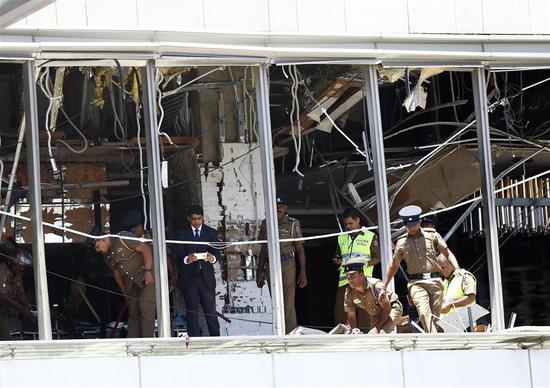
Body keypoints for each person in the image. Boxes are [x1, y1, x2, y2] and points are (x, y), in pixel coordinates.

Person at [383, 205, 459, 333]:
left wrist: (457, 268)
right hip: (416, 283)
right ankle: (435, 341)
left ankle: (435, 344)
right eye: (409, 226)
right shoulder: (401, 242)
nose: (412, 228)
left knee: (436, 318)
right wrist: (385, 285)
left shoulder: (432, 235)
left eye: (414, 224)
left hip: (435, 281)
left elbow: (447, 253)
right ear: (405, 225)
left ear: (420, 222)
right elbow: (394, 265)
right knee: (424, 314)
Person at [256, 194, 307, 334]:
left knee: (288, 300)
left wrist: (303, 272)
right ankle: (279, 331)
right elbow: (263, 248)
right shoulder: (266, 223)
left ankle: (290, 333)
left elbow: (299, 247)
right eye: (276, 205)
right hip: (271, 263)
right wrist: (259, 271)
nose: (278, 207)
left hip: (287, 262)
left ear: (286, 208)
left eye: (281, 205)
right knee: (275, 300)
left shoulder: (292, 223)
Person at [94, 228, 156, 338]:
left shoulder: (122, 237)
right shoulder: (107, 255)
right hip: (131, 283)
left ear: (102, 239)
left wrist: (148, 271)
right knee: (133, 312)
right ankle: (133, 342)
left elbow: (145, 249)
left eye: (97, 247)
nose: (98, 250)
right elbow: (117, 274)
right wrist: (125, 294)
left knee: (145, 310)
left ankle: (148, 342)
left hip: (145, 276)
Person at [174, 205, 220, 337]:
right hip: (189, 278)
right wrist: (187, 259)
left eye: (199, 219)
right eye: (194, 219)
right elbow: (179, 254)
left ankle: (216, 339)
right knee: (192, 311)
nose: (197, 222)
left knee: (210, 310)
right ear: (189, 218)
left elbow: (217, 252)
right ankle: (193, 340)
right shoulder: (181, 233)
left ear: (203, 218)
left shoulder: (211, 232)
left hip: (206, 277)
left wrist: (212, 258)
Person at [332, 208, 380, 331]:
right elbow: (336, 256)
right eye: (346, 224)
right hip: (345, 282)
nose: (348, 227)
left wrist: (362, 265)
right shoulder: (341, 237)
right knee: (341, 314)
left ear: (358, 220)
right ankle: (343, 340)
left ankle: (366, 340)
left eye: (351, 224)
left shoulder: (370, 236)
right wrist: (336, 260)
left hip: (364, 282)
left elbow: (378, 258)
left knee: (365, 314)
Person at [343, 258, 402, 334]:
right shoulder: (349, 292)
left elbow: (387, 310)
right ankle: (402, 321)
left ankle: (400, 321)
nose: (349, 279)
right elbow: (351, 315)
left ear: (361, 275)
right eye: (347, 276)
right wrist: (353, 330)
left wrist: (376, 328)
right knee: (372, 337)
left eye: (352, 275)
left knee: (382, 333)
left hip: (392, 308)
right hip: (375, 314)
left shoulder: (376, 286)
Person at [0, 240, 36, 340]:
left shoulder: (17, 275)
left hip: (4, 311)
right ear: (11, 262)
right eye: (20, 266)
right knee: (4, 337)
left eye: (23, 267)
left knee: (6, 335)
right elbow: (3, 296)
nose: (22, 269)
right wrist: (22, 309)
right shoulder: (2, 271)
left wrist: (28, 308)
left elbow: (21, 293)